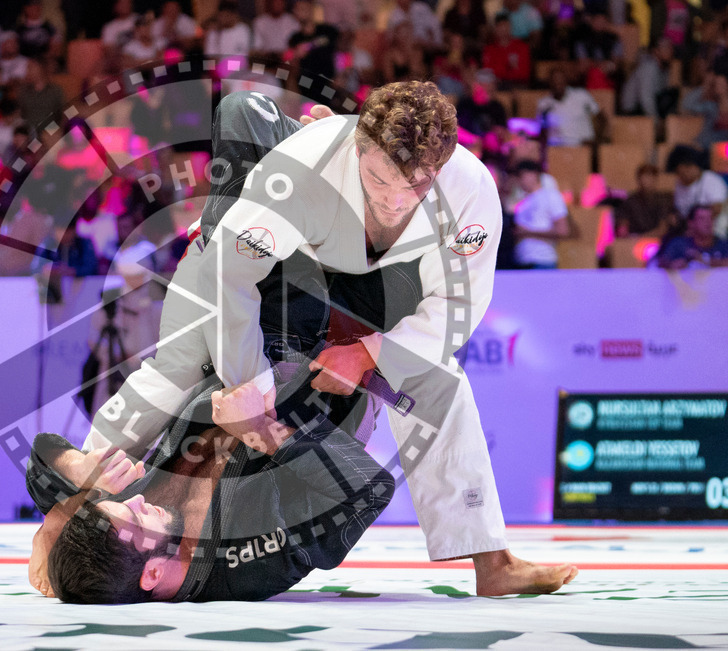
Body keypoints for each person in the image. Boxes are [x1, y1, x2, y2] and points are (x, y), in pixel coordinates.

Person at [82, 86, 578, 595]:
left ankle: (492, 561)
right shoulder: (302, 168)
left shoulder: (468, 190)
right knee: (183, 364)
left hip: (383, 282)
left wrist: (367, 353)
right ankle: (72, 507)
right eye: (379, 179)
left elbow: (456, 307)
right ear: (358, 149)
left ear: (442, 165)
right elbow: (229, 277)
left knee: (437, 377)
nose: (394, 199)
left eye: (415, 184)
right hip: (295, 264)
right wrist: (250, 391)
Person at [29, 376, 396, 602]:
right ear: (152, 574)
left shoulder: (127, 525)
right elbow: (369, 489)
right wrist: (257, 428)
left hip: (252, 329)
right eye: (136, 516)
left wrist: (67, 499)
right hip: (340, 359)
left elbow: (41, 457)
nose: (135, 499)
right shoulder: (252, 566)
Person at [510, 160, 570, 269]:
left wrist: (527, 232)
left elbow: (562, 230)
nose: (520, 181)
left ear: (534, 174)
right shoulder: (521, 202)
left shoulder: (550, 195)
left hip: (543, 260)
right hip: (521, 261)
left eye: (522, 176)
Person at [537, 69, 604, 148]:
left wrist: (596, 141)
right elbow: (541, 130)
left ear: (566, 81)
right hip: (556, 149)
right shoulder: (544, 104)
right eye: (554, 81)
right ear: (549, 83)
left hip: (583, 146)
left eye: (560, 81)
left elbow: (600, 117)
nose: (557, 84)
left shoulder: (581, 96)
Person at [656, 205, 728, 269]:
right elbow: (660, 262)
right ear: (691, 223)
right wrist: (671, 265)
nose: (708, 222)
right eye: (702, 219)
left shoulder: (723, 245)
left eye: (711, 218)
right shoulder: (679, 244)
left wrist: (703, 260)